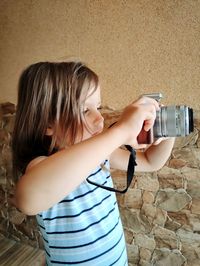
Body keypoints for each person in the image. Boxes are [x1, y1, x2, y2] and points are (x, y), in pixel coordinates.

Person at [12, 61, 175, 265]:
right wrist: (120, 131)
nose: (99, 119)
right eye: (84, 110)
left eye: (97, 107)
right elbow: (28, 200)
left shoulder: (102, 155)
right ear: (47, 123)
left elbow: (151, 162)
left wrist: (165, 130)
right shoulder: (41, 165)